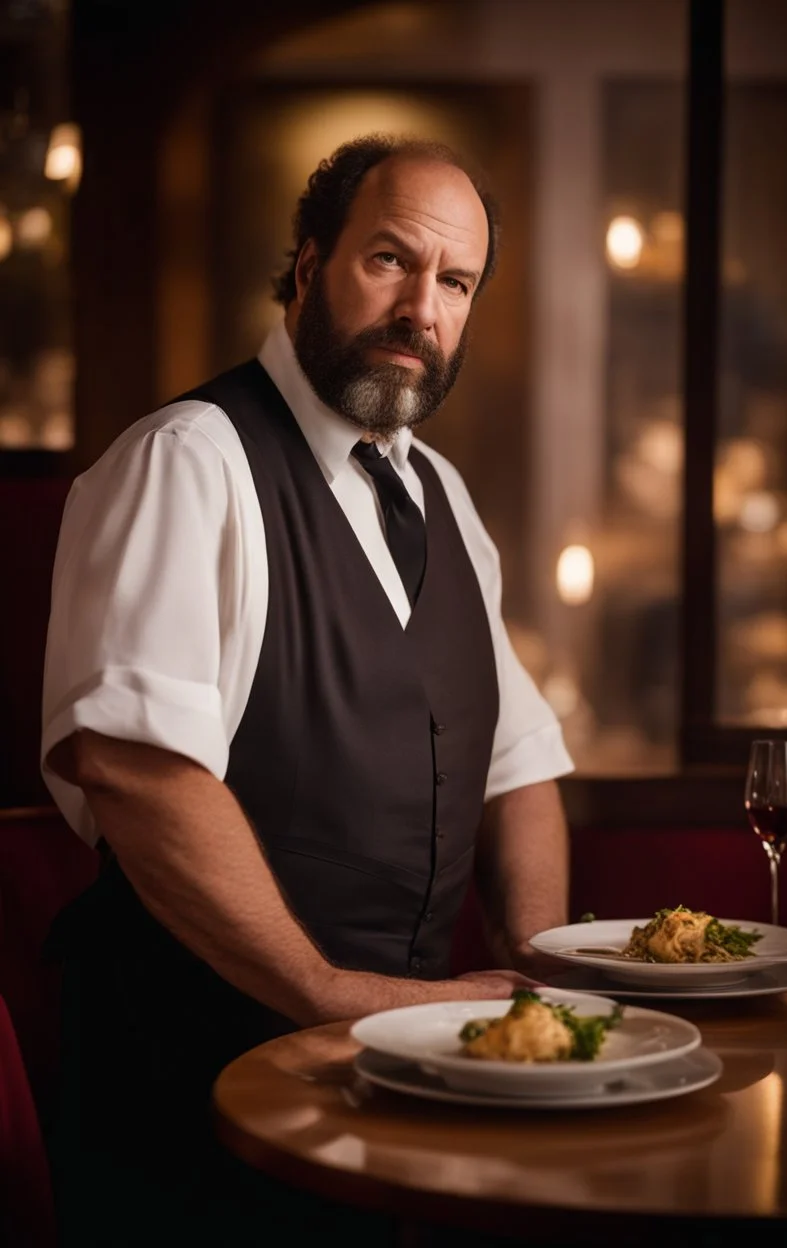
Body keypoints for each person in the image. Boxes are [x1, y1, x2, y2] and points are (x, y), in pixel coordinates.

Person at [41, 133, 573, 1244]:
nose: (421, 308)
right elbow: (136, 774)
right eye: (389, 260)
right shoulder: (189, 459)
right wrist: (338, 996)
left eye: (456, 282)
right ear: (306, 264)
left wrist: (542, 985)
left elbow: (520, 767)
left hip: (406, 1095)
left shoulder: (443, 499)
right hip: (194, 1095)